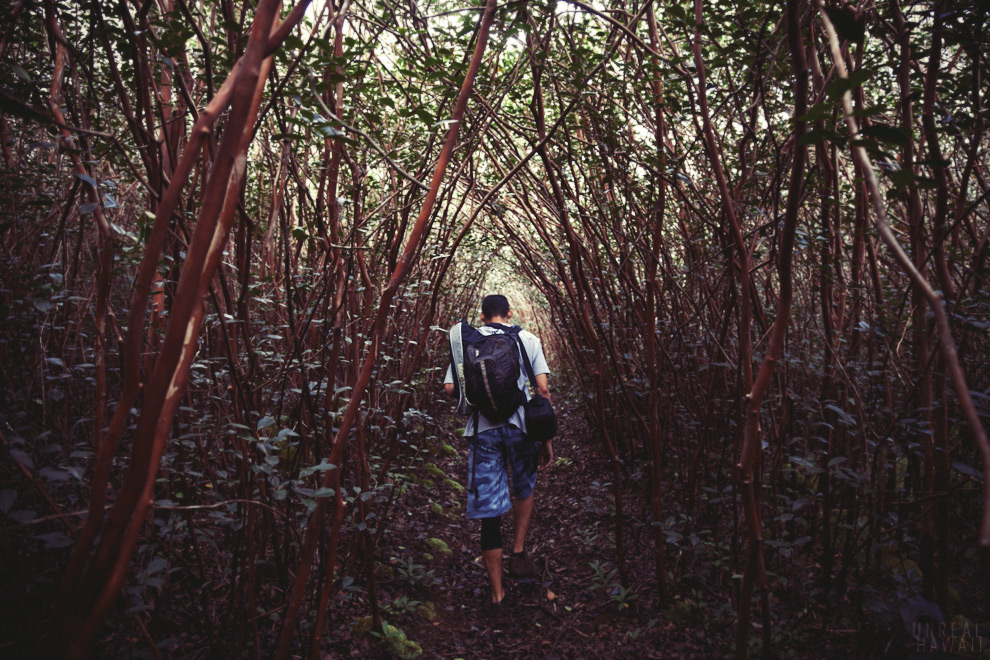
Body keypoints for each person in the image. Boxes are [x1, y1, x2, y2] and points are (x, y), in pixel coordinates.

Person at [444, 294, 553, 612]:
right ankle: (518, 551)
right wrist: (545, 439)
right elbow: (542, 389)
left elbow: (451, 389)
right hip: (521, 429)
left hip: (483, 432)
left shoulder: (467, 342)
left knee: (489, 510)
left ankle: (497, 595)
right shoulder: (525, 338)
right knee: (524, 486)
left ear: (482, 315)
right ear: (509, 313)